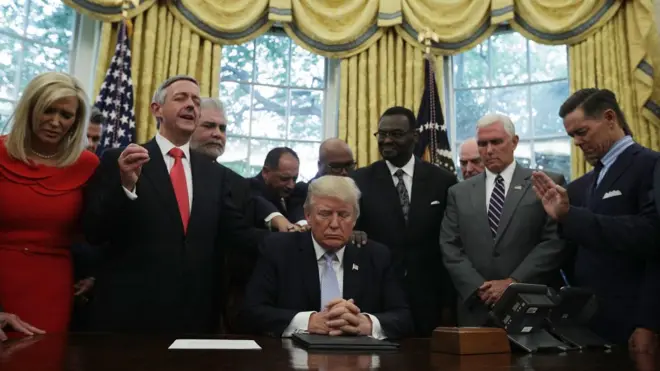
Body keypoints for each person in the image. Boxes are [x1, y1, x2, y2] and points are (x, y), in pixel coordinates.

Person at [83, 75, 268, 333]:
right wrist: (125, 185)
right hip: (129, 317)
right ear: (156, 109)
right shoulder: (123, 160)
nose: (191, 105)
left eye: (195, 100)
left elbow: (237, 233)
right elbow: (95, 231)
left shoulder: (214, 174)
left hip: (194, 318)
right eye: (180, 98)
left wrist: (300, 242)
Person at [531, 88, 660, 353]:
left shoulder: (650, 165)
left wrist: (649, 323)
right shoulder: (579, 187)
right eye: (571, 136)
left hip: (637, 323)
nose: (577, 142)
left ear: (610, 118)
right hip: (589, 327)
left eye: (582, 132)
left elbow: (651, 236)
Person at [241, 175, 413, 339]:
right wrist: (308, 322)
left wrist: (367, 323)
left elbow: (403, 317)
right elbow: (252, 312)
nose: (334, 224)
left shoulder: (376, 256)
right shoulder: (278, 249)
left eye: (344, 215)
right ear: (307, 215)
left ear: (355, 219)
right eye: (325, 214)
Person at [440, 114, 566, 326]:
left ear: (514, 142)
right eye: (482, 144)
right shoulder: (458, 192)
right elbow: (450, 246)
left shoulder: (546, 182)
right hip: (476, 309)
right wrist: (479, 288)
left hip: (532, 305)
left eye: (496, 142)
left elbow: (554, 241)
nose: (489, 150)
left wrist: (513, 283)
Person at [0, 71, 99, 333]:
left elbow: (99, 230)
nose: (55, 122)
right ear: (30, 109)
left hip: (53, 288)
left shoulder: (87, 165)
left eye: (66, 115)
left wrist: (95, 275)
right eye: (48, 111)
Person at [351, 106, 458, 336]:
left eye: (397, 134)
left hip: (429, 297)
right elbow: (352, 230)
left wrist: (449, 303)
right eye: (382, 134)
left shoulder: (443, 181)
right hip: (378, 296)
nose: (387, 140)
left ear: (415, 137)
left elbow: (452, 241)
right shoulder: (358, 180)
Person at [249, 147, 308, 225]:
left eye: (294, 178)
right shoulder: (248, 190)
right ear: (266, 173)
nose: (291, 186)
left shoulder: (296, 192)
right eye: (284, 179)